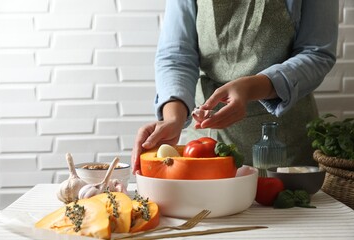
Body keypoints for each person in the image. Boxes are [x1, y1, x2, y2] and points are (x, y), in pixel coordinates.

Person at [131, 0, 338, 174]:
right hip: (206, 142)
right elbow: (177, 55)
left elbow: (317, 53)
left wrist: (252, 87)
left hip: (286, 144)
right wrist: (173, 118)